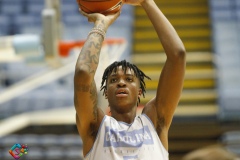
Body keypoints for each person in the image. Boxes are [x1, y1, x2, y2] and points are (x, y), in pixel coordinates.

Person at [74, 0, 186, 159]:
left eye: (128, 79)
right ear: (106, 93)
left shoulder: (154, 122)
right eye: (113, 80)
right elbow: (83, 72)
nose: (121, 82)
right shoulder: (96, 127)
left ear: (139, 91)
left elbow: (178, 55)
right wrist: (101, 25)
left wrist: (146, 2)